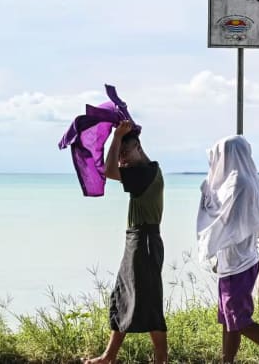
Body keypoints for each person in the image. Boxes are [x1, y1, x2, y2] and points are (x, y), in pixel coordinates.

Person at [197, 135, 259, 364]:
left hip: (237, 264)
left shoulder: (237, 184)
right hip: (238, 261)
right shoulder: (246, 180)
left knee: (239, 319)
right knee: (229, 319)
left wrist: (207, 196)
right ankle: (227, 361)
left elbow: (222, 221)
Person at [84, 120, 168, 364]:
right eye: (120, 156)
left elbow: (108, 171)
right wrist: (122, 137)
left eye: (125, 154)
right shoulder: (147, 169)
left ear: (139, 148)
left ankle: (161, 359)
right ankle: (109, 356)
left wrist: (117, 137)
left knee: (150, 301)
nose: (122, 160)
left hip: (145, 242)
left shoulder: (145, 173)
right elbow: (112, 168)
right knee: (123, 295)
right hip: (137, 240)